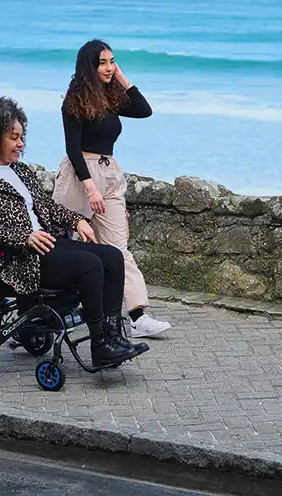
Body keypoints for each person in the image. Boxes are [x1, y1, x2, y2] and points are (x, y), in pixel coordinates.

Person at [0, 96, 148, 368]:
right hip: (17, 260)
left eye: (21, 137)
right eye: (14, 138)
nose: (21, 144)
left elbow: (47, 207)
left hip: (47, 245)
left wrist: (76, 221)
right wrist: (23, 237)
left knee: (112, 256)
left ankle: (113, 337)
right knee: (90, 265)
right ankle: (99, 345)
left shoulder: (20, 171)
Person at [52, 39, 171, 339]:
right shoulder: (74, 100)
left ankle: (137, 316)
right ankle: (44, 312)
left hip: (109, 173)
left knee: (119, 248)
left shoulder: (111, 97)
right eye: (103, 63)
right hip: (80, 176)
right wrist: (90, 188)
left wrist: (121, 77)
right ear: (89, 66)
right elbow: (72, 148)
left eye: (112, 61)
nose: (108, 67)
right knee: (58, 243)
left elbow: (145, 110)